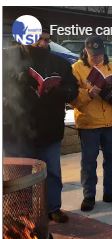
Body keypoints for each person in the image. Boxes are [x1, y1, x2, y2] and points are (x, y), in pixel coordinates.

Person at [3, 29, 78, 223]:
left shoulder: (59, 63)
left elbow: (73, 90)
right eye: (39, 40)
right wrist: (15, 80)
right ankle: (22, 212)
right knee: (20, 176)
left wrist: (59, 91)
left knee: (52, 172)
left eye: (47, 40)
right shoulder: (6, 57)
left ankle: (53, 208)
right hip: (18, 130)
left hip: (49, 128)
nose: (44, 44)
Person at [71, 36, 112, 212]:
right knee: (89, 162)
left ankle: (111, 192)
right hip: (89, 123)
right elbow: (73, 97)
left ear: (103, 52)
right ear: (85, 52)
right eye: (92, 55)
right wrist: (89, 93)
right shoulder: (76, 69)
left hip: (110, 122)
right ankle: (89, 196)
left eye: (99, 55)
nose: (96, 58)